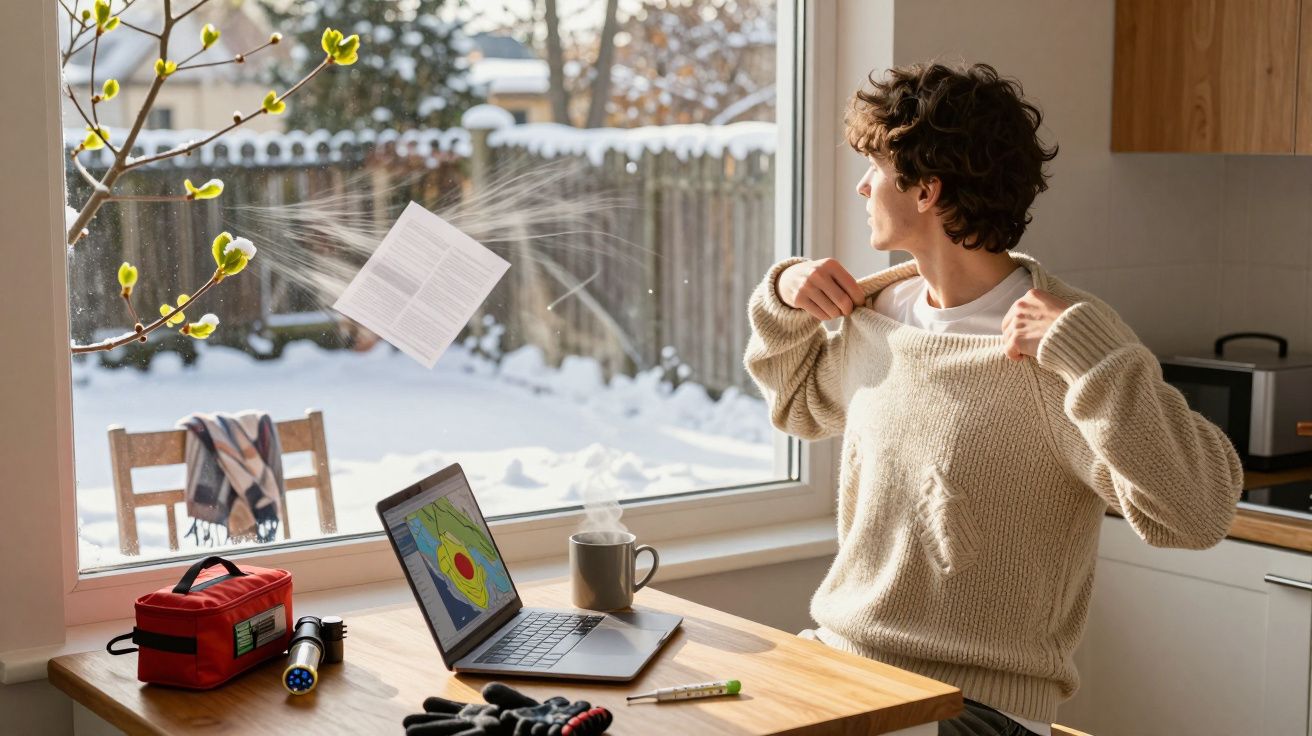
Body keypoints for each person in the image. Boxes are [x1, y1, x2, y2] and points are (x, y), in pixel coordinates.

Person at [744, 61, 1243, 736]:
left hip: (978, 706)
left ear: (927, 190)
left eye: (874, 168)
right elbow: (799, 406)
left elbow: (1198, 514)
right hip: (845, 666)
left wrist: (1096, 358)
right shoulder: (878, 317)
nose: (862, 185)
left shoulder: (1064, 341)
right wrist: (783, 296)